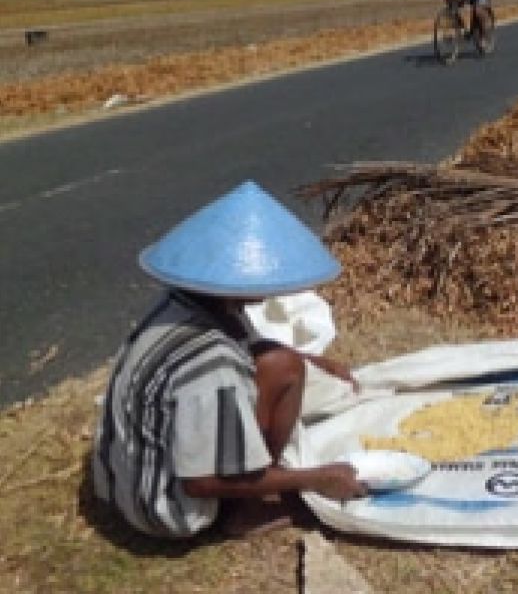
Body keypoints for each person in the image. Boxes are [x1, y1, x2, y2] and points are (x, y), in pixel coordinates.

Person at [91, 181, 369, 539]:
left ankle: (257, 476)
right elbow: (201, 483)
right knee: (278, 372)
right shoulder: (213, 365)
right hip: (163, 508)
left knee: (284, 363)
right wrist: (317, 478)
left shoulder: (178, 304)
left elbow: (255, 346)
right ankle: (244, 508)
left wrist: (317, 361)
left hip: (119, 480)